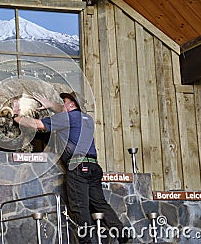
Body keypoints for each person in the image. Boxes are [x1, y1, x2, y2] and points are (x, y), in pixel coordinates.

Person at [12, 91, 128, 244]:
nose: (62, 105)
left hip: (78, 167)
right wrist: (49, 104)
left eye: (64, 102)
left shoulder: (68, 117)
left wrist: (16, 116)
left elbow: (37, 125)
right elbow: (64, 110)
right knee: (100, 204)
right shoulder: (87, 119)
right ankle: (123, 236)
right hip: (93, 166)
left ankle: (86, 242)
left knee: (80, 209)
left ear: (72, 104)